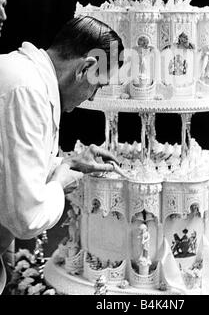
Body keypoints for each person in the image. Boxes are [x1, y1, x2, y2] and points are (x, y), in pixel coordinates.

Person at [0, 15, 124, 293]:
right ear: (85, 68)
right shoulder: (27, 90)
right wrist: (63, 180)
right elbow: (26, 218)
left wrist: (68, 162)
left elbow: (9, 166)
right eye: (98, 85)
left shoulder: (25, 76)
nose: (92, 97)